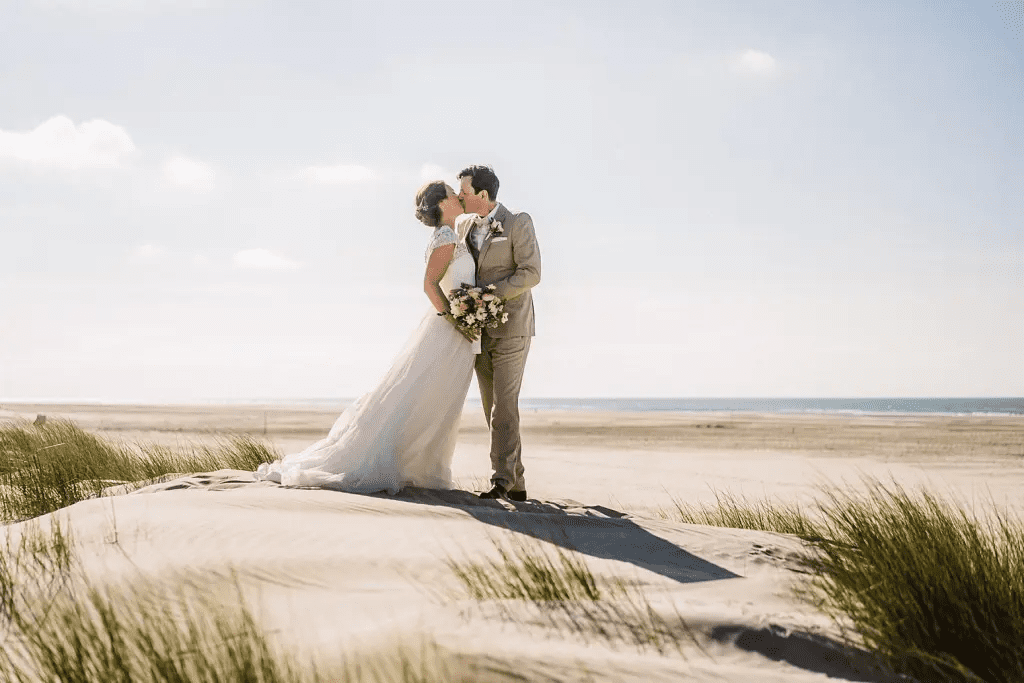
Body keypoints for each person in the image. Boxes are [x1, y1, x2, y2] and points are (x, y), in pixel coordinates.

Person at [255, 181, 478, 493]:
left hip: (459, 330)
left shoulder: (456, 235)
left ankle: (424, 465)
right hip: (446, 329)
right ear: (443, 203)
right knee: (418, 395)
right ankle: (394, 462)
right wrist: (454, 319)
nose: (458, 195)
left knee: (436, 399)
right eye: (454, 193)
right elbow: (430, 285)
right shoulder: (446, 237)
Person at [457, 166, 541, 502]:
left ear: (481, 194)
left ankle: (501, 480)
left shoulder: (518, 222)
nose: (459, 196)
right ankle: (517, 482)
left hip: (512, 327)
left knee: (504, 406)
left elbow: (531, 272)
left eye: (463, 191)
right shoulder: (463, 226)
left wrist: (490, 294)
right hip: (478, 331)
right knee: (492, 406)